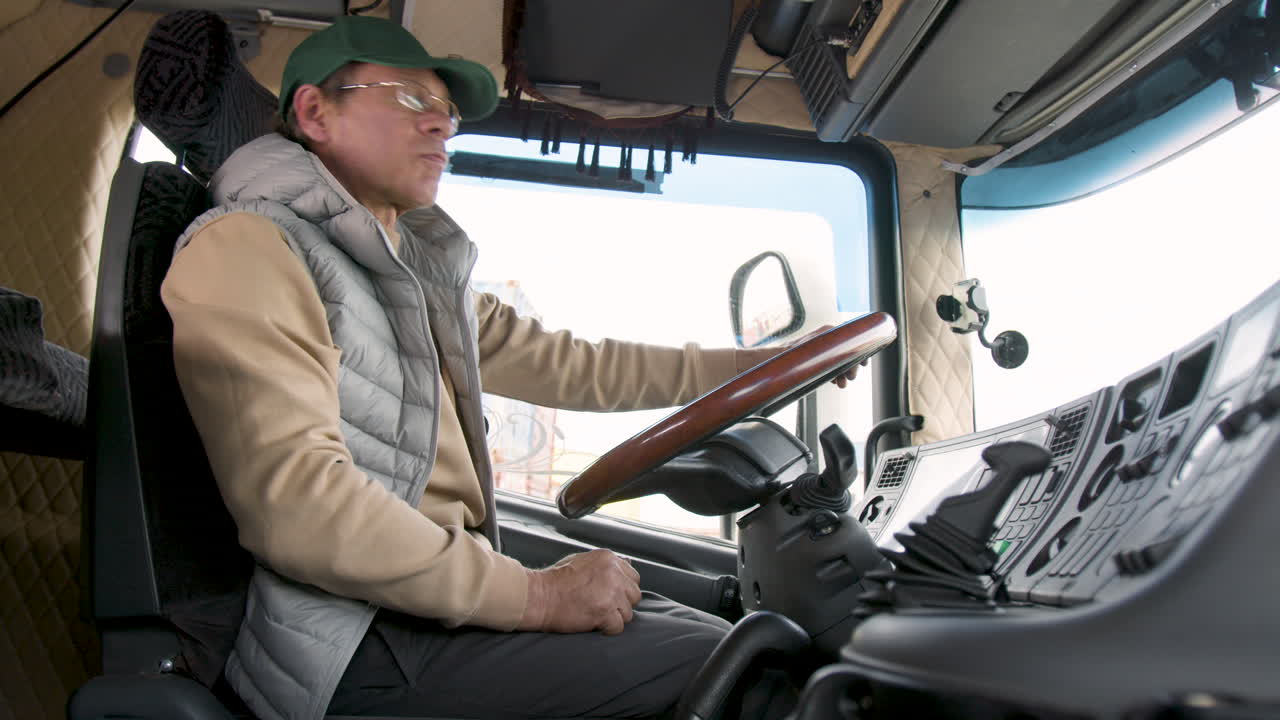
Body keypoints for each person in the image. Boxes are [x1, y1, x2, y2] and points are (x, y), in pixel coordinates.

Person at [161, 15, 853, 720]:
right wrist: (539, 595)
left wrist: (761, 364)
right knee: (752, 679)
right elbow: (300, 508)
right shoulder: (249, 249)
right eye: (411, 98)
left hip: (424, 606)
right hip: (350, 645)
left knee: (743, 642)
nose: (441, 124)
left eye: (448, 110)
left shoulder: (410, 273)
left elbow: (575, 366)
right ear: (315, 113)